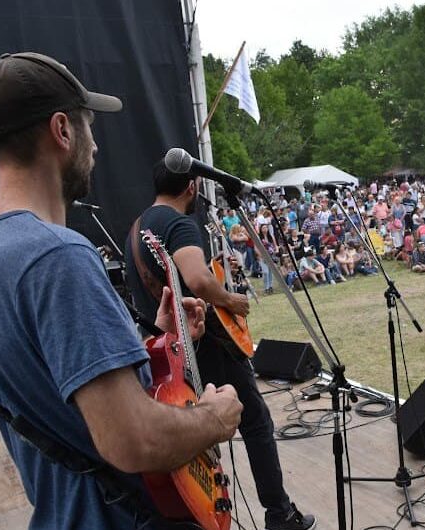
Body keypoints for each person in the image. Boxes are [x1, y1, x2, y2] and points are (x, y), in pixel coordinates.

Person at [0, 52, 242, 530]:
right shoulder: (56, 256)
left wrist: (155, 342)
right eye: (89, 125)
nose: (94, 146)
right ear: (62, 131)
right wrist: (216, 419)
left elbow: (54, 389)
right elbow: (131, 439)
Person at [125, 163, 316, 530]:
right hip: (207, 343)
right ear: (193, 187)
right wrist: (230, 299)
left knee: (193, 442)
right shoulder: (179, 223)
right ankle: (280, 515)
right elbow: (196, 282)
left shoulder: (137, 228)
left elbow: (178, 278)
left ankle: (204, 514)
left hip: (170, 350)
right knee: (256, 422)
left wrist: (216, 267)